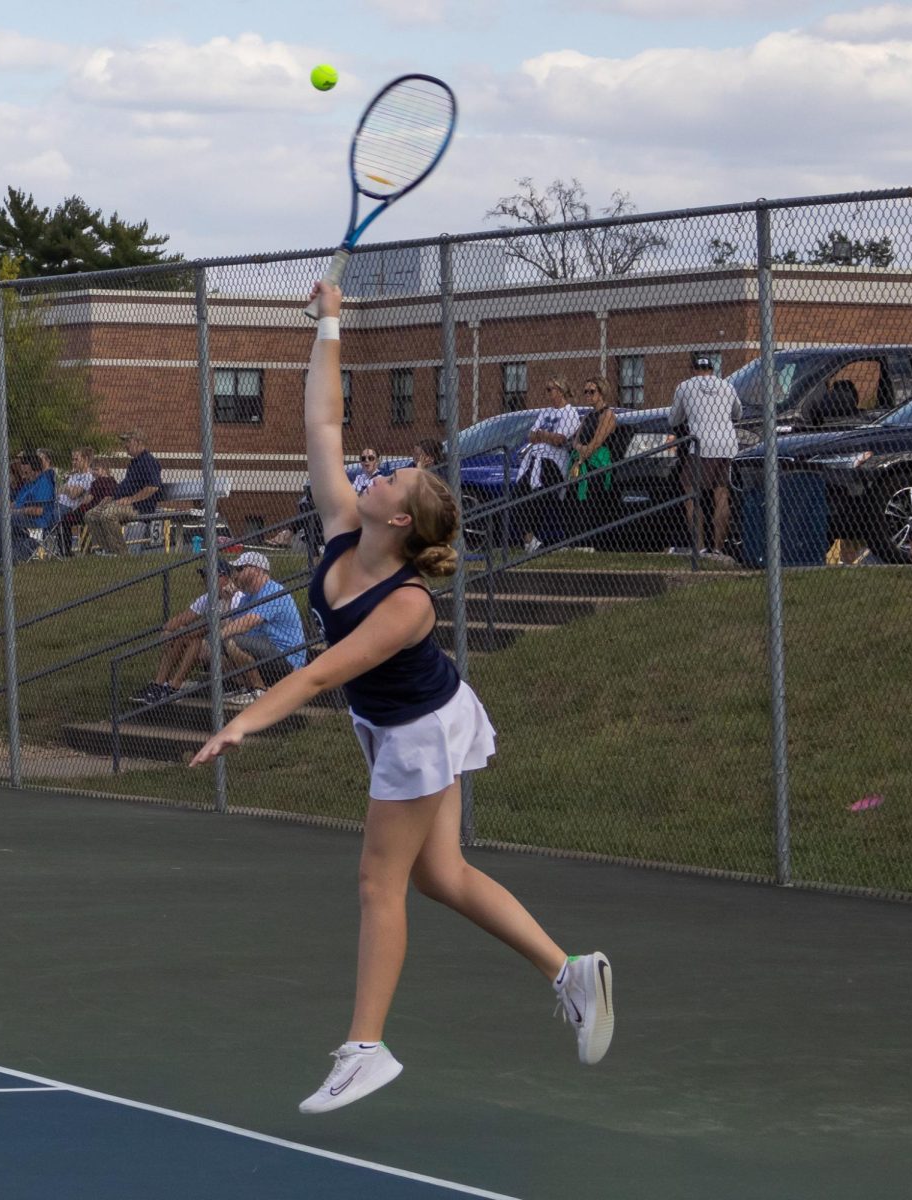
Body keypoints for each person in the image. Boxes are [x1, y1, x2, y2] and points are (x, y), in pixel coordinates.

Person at [190, 281, 614, 1115]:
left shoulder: (407, 604)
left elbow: (318, 674)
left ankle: (365, 1049)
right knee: (442, 876)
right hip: (393, 720)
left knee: (379, 885)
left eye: (398, 479)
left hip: (420, 728)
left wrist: (242, 720)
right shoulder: (347, 522)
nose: (380, 471)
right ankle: (572, 975)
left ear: (403, 522)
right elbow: (321, 422)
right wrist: (329, 323)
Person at [131, 560, 244, 705]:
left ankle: (174, 686)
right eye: (204, 576)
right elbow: (180, 619)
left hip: (234, 647)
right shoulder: (208, 598)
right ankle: (158, 686)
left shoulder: (236, 597)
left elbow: (212, 628)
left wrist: (180, 632)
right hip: (214, 645)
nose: (205, 580)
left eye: (210, 575)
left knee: (191, 638)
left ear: (225, 577)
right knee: (181, 637)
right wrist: (167, 631)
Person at [669, 353, 742, 556]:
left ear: (693, 370)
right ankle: (717, 549)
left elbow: (674, 420)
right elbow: (738, 413)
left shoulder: (685, 386)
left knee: (691, 493)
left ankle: (699, 546)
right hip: (727, 445)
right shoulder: (726, 385)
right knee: (721, 494)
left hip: (701, 445)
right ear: (712, 370)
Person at [215, 551, 307, 704]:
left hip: (287, 658)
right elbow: (232, 626)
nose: (235, 573)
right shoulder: (247, 597)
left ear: (257, 570)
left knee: (232, 642)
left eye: (240, 568)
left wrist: (219, 636)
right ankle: (247, 687)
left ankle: (259, 691)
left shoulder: (273, 590)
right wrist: (227, 600)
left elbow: (246, 623)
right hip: (266, 654)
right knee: (211, 647)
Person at [510, 376, 581, 550]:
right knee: (517, 497)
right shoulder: (545, 412)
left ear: (561, 391)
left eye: (551, 389)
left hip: (553, 463)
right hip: (535, 459)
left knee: (538, 499)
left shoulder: (570, 413)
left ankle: (535, 541)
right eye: (546, 390)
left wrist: (542, 435)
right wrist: (544, 436)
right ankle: (530, 540)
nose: (548, 394)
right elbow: (531, 436)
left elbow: (560, 439)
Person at [84, 431, 162, 555]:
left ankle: (121, 554)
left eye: (128, 441)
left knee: (108, 515)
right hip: (122, 503)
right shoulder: (134, 463)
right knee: (90, 515)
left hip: (139, 506)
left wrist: (131, 499)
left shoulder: (148, 461)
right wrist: (112, 498)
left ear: (138, 442)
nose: (125, 445)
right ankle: (108, 551)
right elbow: (127, 486)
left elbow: (153, 487)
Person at [567, 377, 618, 532]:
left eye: (592, 391)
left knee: (590, 498)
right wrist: (581, 450)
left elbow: (597, 441)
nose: (588, 394)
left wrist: (584, 451)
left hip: (597, 462)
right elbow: (575, 440)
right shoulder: (588, 416)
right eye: (585, 391)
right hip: (581, 459)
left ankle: (589, 538)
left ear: (601, 393)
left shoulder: (607, 414)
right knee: (573, 497)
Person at [58, 456, 118, 554]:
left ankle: (66, 551)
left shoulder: (97, 482)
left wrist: (82, 502)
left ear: (105, 469)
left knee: (65, 521)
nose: (94, 472)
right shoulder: (113, 481)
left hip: (89, 509)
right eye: (92, 469)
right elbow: (109, 497)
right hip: (102, 509)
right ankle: (87, 549)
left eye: (96, 469)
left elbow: (88, 499)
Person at [54, 447, 95, 554]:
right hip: (58, 504)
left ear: (85, 459)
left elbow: (73, 495)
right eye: (72, 459)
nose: (73, 462)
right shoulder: (74, 476)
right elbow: (58, 491)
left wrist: (67, 489)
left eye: (76, 459)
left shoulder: (88, 477)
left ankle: (65, 552)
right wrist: (68, 489)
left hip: (69, 508)